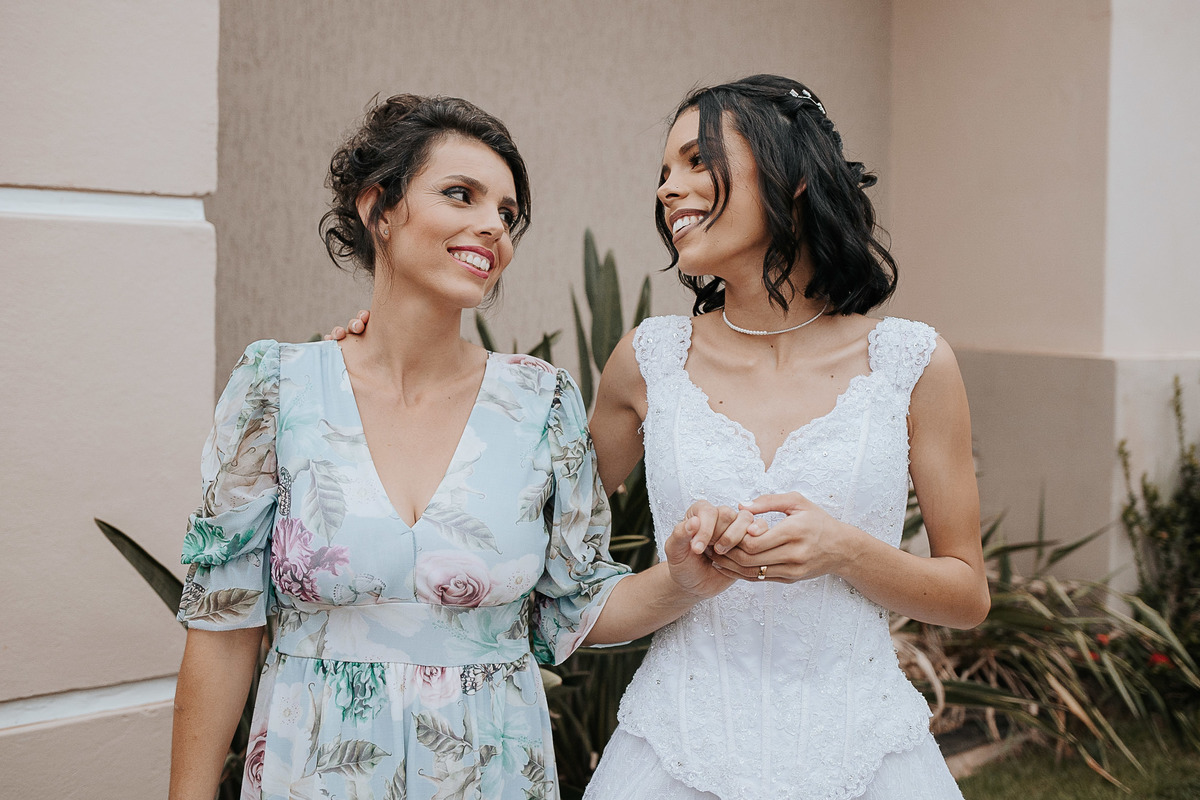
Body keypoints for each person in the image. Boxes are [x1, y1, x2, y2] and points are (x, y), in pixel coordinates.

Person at [335, 75, 988, 800]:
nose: (668, 188)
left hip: (867, 756)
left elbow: (966, 595)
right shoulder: (649, 361)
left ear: (795, 175)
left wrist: (844, 549)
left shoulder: (912, 363)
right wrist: (390, 353)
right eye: (664, 171)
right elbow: (520, 538)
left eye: (697, 160)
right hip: (675, 757)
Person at [169, 94, 736, 800]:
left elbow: (576, 604)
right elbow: (222, 626)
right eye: (461, 194)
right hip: (310, 773)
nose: (493, 225)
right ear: (378, 208)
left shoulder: (541, 403)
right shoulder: (276, 388)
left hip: (491, 773)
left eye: (507, 212)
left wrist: (681, 580)